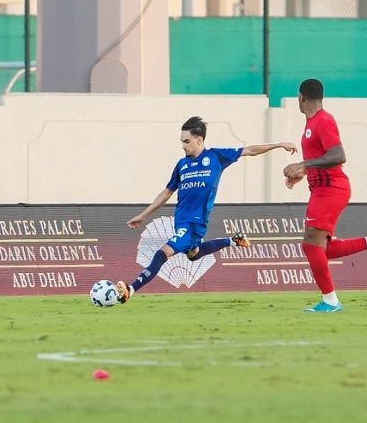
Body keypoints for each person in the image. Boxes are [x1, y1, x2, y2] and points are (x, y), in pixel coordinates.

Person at [116, 116, 297, 302]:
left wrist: (279, 145)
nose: (183, 146)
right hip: (181, 222)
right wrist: (143, 215)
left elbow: (249, 150)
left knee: (162, 253)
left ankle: (131, 289)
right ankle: (233, 240)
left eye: (187, 141)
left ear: (200, 139)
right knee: (193, 254)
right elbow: (167, 192)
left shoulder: (216, 157)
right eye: (181, 142)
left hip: (194, 224)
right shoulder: (182, 165)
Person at [282, 78, 367, 313]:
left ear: (302, 98)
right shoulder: (312, 123)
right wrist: (303, 173)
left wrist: (304, 164)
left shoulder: (323, 121)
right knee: (320, 248)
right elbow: (322, 158)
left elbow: (338, 155)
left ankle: (331, 301)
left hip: (331, 189)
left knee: (311, 244)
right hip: (322, 189)